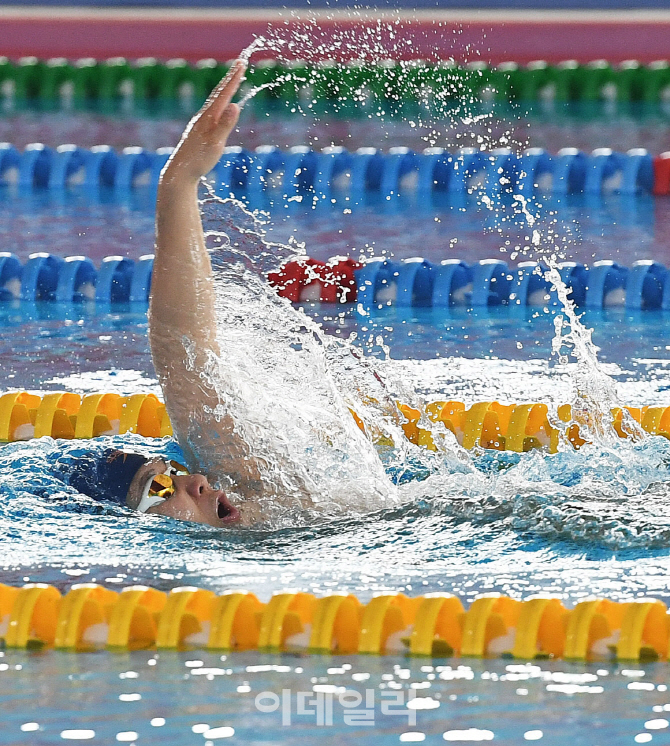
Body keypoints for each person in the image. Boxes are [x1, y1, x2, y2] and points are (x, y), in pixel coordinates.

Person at [66, 62, 251, 528]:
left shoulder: (267, 495)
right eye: (159, 489)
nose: (198, 481)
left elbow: (184, 349)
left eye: (173, 473)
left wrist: (178, 185)